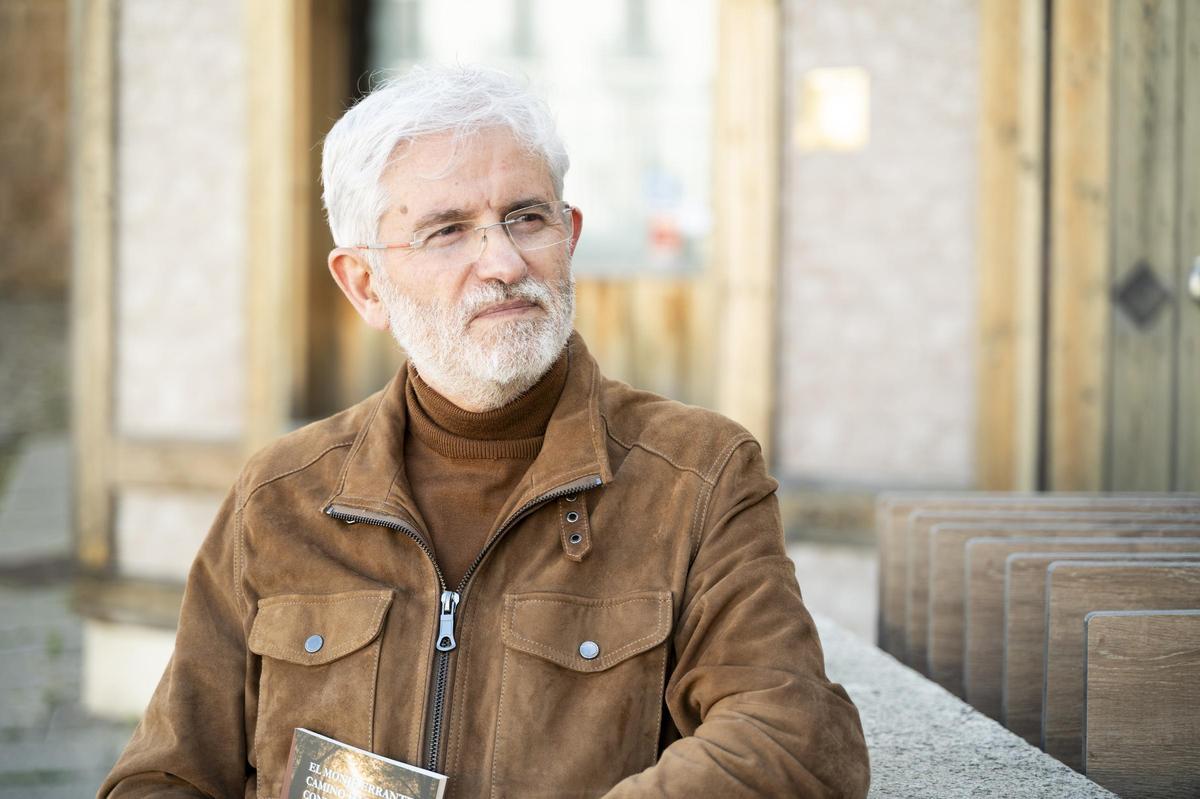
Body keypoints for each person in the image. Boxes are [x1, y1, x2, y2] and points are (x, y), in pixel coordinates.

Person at [100, 64, 869, 798]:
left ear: (567, 235)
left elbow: (791, 737)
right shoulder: (281, 496)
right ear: (364, 283)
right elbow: (163, 776)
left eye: (525, 218)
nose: (502, 261)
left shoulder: (696, 474)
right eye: (447, 231)